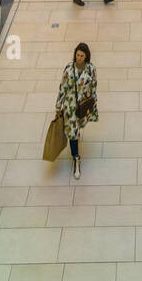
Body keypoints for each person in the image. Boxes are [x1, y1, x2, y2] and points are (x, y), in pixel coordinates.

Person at [55, 42, 99, 179]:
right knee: (72, 134)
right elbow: (62, 88)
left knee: (78, 127)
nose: (79, 57)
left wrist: (93, 105)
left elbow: (94, 88)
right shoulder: (68, 69)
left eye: (81, 55)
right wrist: (58, 107)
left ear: (86, 56)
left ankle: (76, 137)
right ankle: (76, 158)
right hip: (70, 106)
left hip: (83, 106)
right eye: (77, 55)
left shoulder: (91, 69)